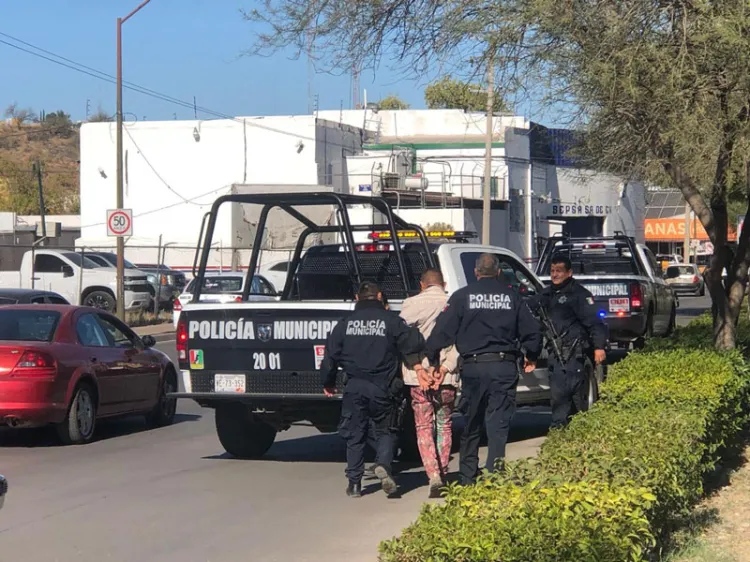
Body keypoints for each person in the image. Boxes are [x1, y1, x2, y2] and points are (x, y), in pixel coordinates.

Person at [424, 253, 542, 486]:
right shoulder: (512, 297)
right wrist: (532, 355)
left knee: (472, 421)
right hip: (502, 366)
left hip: (474, 368)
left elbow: (442, 331)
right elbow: (532, 331)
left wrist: (433, 359)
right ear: (498, 272)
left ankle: (467, 475)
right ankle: (494, 474)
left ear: (476, 272)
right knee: (498, 422)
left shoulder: (461, 297)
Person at [321, 281, 427, 498]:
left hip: (354, 386)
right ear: (380, 297)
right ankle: (384, 464)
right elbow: (413, 342)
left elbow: (330, 356)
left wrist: (327, 382)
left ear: (357, 298)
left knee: (355, 434)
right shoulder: (391, 321)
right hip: (384, 386)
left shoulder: (345, 324)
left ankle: (354, 484)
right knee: (388, 429)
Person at [399, 268, 460, 498]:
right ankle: (444, 473)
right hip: (447, 376)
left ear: (422, 284)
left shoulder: (410, 304)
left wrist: (418, 367)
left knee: (424, 427)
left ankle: (433, 475)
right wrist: (445, 368)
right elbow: (459, 342)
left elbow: (403, 339)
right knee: (444, 425)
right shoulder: (453, 303)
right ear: (443, 284)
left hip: (419, 378)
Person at [532, 254, 607, 428]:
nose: (555, 275)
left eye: (559, 271)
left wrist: (599, 347)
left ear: (569, 273)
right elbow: (530, 308)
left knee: (576, 395)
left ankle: (576, 429)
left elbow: (594, 322)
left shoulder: (579, 295)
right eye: (552, 271)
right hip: (556, 353)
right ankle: (560, 427)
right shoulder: (547, 294)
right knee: (558, 394)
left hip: (575, 353)